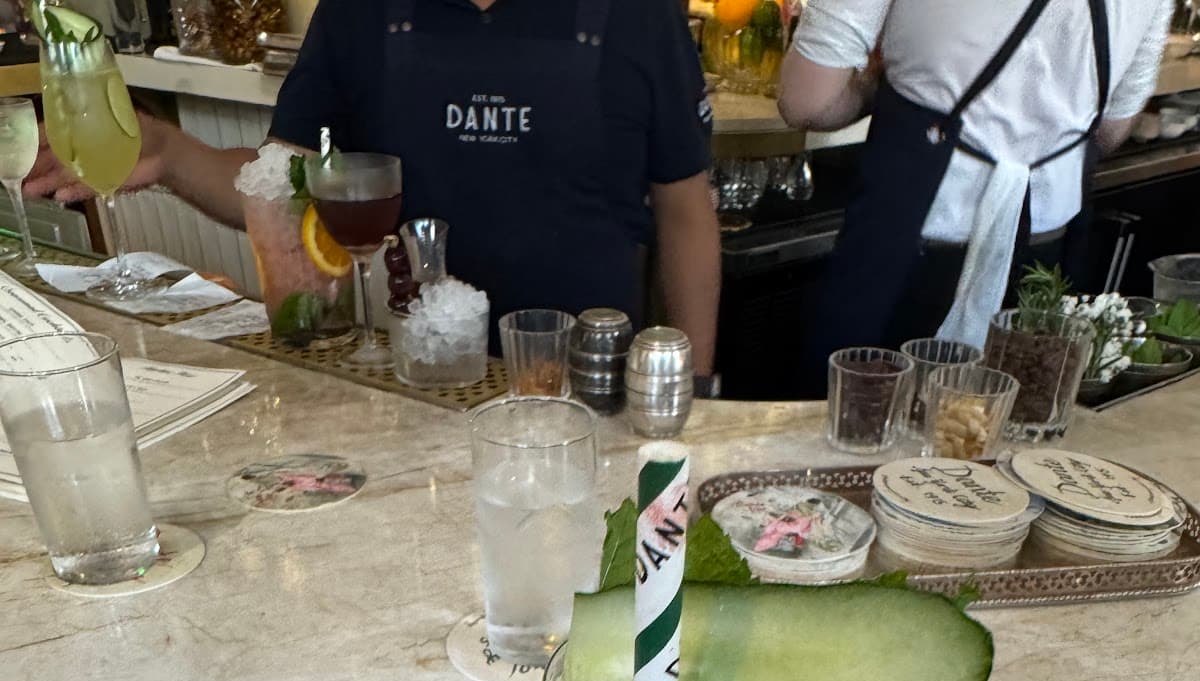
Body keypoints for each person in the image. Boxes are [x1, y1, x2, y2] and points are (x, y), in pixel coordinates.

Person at [26, 0, 721, 378]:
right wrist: (171, 153)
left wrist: (687, 395)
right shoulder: (360, 12)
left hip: (585, 385)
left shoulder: (640, 13)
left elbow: (687, 217)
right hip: (413, 380)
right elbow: (283, 188)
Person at [778, 0, 1173, 376]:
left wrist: (877, 86)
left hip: (908, 245)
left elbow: (807, 102)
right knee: (1011, 429)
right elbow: (1112, 128)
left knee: (859, 424)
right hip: (1045, 254)